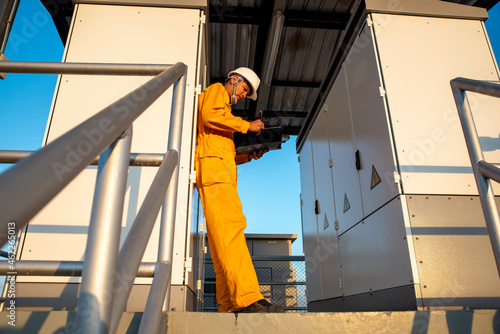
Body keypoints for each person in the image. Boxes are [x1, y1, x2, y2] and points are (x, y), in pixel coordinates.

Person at [194, 67, 284, 313]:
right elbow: (208, 114)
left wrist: (249, 156)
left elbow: (224, 153)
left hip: (218, 174)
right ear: (234, 80)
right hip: (215, 177)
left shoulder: (224, 116)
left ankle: (229, 303)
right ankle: (246, 298)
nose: (244, 95)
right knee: (232, 233)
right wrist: (247, 126)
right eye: (245, 89)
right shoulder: (216, 93)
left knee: (221, 241)